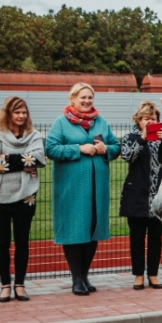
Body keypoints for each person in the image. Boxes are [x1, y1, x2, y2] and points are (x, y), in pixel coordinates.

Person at [45, 82, 120, 296]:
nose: (87, 101)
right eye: (83, 98)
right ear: (73, 99)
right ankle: (76, 278)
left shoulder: (101, 122)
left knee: (93, 229)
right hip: (72, 187)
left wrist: (106, 149)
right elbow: (50, 148)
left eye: (90, 98)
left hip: (98, 187)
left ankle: (85, 275)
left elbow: (116, 147)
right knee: (74, 230)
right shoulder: (61, 123)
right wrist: (79, 149)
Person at [0, 97, 44, 303]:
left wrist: (6, 158)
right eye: (17, 112)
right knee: (2, 242)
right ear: (8, 113)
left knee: (22, 242)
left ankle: (20, 285)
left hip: (25, 197)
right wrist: (22, 161)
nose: (21, 116)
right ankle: (6, 285)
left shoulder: (34, 136)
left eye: (24, 112)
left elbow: (38, 159)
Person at [119, 101, 162, 291]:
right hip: (136, 195)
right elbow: (127, 156)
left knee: (156, 237)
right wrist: (143, 138)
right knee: (137, 238)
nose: (150, 122)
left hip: (159, 196)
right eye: (146, 119)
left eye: (153, 119)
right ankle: (138, 275)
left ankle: (153, 274)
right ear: (138, 120)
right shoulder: (131, 137)